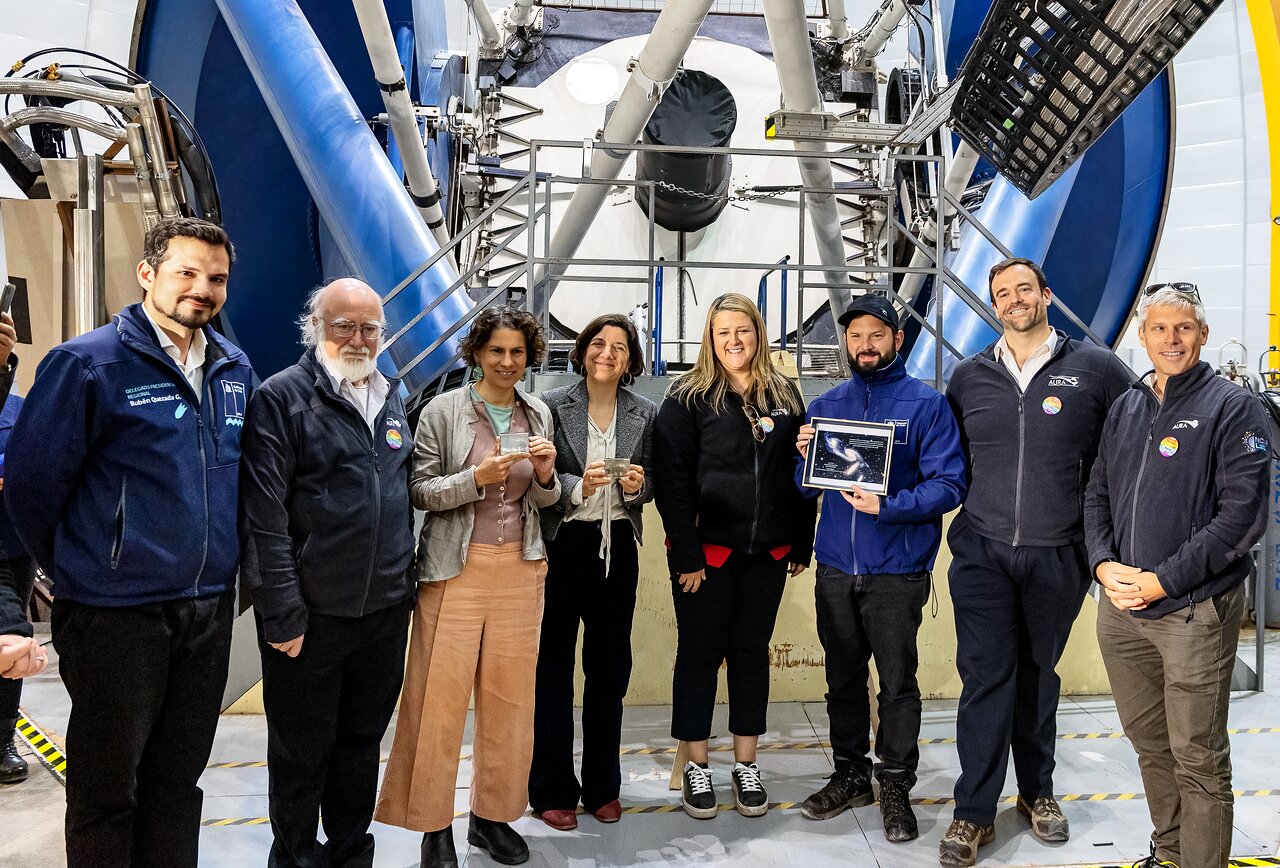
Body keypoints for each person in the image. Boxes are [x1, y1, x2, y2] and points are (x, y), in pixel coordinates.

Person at [4, 217, 253, 867]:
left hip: (204, 610)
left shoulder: (234, 369)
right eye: (187, 273)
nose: (202, 289)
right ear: (148, 274)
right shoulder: (88, 365)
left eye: (216, 277)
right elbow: (31, 487)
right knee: (108, 791)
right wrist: (87, 570)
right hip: (115, 615)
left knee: (176, 785)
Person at [940, 257, 1133, 867]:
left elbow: (1139, 438)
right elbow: (941, 453)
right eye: (1003, 293)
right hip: (983, 553)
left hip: (1059, 552)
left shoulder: (1096, 369)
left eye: (1025, 288)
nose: (1014, 299)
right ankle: (972, 814)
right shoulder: (968, 376)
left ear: (1046, 295)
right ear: (994, 305)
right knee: (986, 677)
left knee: (1038, 675)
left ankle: (1037, 793)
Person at [1086, 284, 1269, 868]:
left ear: (1203, 335)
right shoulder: (1128, 406)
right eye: (1158, 329)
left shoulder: (1232, 406)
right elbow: (1097, 494)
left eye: (1182, 328)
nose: (1171, 339)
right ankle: (1169, 854)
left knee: (1198, 757)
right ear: (1142, 338)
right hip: (1121, 612)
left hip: (1192, 613)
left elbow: (1242, 517)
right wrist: (1102, 563)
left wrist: (1162, 582)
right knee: (1150, 747)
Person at [239, 279, 415, 867]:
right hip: (309, 621)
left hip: (383, 614)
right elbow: (264, 520)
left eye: (370, 327)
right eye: (345, 325)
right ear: (316, 327)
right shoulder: (281, 398)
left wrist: (402, 588)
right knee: (300, 756)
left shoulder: (392, 397)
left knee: (360, 748)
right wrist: (282, 613)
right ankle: (292, 859)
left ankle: (348, 854)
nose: (359, 338)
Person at [376, 305, 560, 868]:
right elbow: (422, 491)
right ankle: (433, 827)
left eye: (518, 353)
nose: (507, 362)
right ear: (477, 353)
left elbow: (545, 502)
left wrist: (549, 478)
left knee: (510, 703)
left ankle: (492, 817)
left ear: (530, 358)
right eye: (497, 351)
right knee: (438, 702)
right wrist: (473, 481)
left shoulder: (540, 414)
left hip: (521, 570)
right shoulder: (442, 411)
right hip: (454, 570)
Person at [794, 295, 966, 842]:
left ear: (895, 338)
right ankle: (850, 774)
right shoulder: (826, 404)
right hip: (837, 568)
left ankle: (894, 782)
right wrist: (804, 458)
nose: (865, 345)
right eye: (855, 336)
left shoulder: (927, 405)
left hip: (897, 570)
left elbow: (948, 485)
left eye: (876, 335)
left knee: (896, 683)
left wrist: (889, 506)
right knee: (842, 678)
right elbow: (805, 488)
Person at [654, 292, 816, 820]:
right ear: (710, 337)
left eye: (742, 330)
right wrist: (687, 555)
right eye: (723, 332)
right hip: (709, 557)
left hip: (767, 555)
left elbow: (803, 473)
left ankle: (746, 764)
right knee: (698, 658)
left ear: (759, 333)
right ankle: (697, 766)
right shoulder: (687, 398)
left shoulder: (786, 396)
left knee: (751, 658)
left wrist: (801, 539)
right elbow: (673, 487)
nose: (734, 341)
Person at [530, 313, 657, 831]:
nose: (608, 354)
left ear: (631, 361)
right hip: (565, 544)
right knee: (553, 669)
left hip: (617, 548)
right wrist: (575, 484)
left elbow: (651, 487)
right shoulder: (551, 407)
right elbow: (541, 477)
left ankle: (603, 785)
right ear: (582, 352)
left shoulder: (645, 412)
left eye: (619, 348)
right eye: (599, 345)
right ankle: (552, 788)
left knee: (610, 670)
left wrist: (635, 486)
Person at [1, 311, 46, 781]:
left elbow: (33, 458)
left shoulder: (19, 408)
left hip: (13, 544)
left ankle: (1, 741)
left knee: (13, 644)